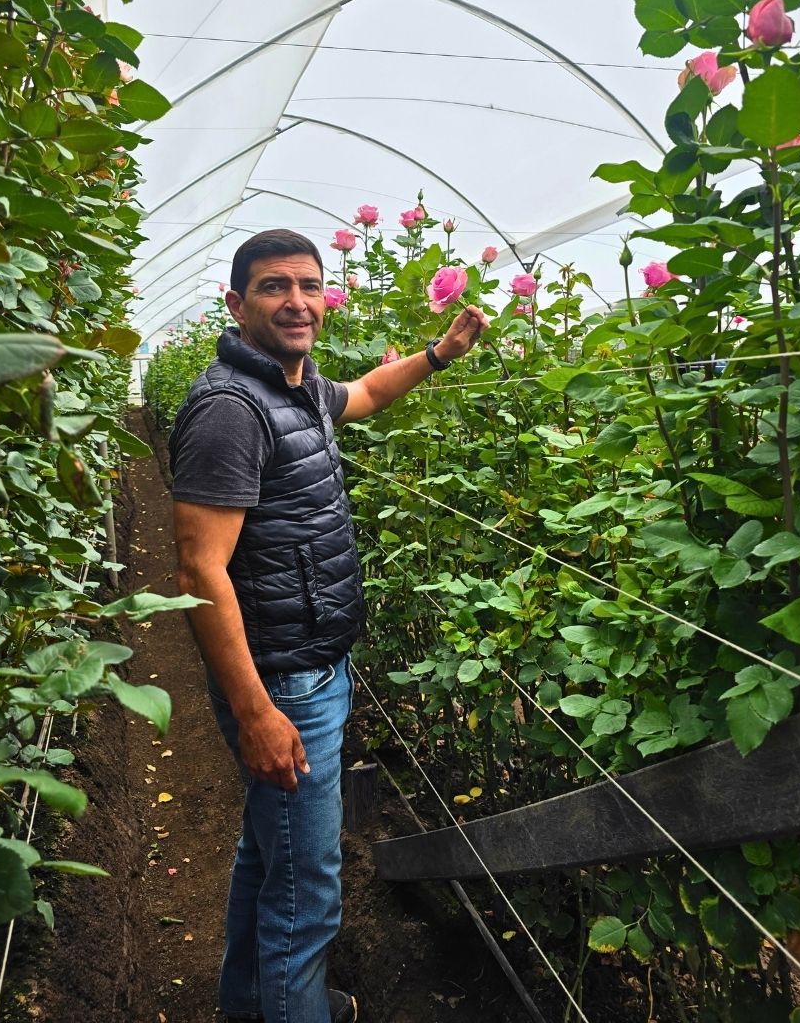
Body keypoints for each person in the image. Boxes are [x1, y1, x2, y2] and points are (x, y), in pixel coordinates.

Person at [169, 229, 488, 1023]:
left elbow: (369, 393)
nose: (298, 302)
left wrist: (438, 354)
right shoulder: (231, 410)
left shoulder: (297, 386)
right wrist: (257, 713)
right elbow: (199, 572)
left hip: (309, 666)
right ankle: (295, 1006)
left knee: (267, 854)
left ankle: (253, 1001)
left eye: (309, 286)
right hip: (282, 682)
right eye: (274, 287)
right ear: (237, 303)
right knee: (305, 894)